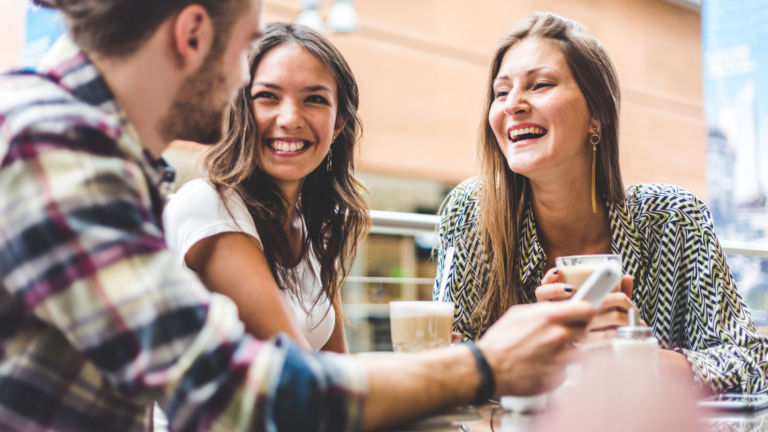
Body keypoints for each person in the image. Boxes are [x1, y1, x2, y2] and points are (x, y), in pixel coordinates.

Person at [0, 2, 596, 432]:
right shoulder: (52, 147)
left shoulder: (94, 151)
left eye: (314, 99)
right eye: (247, 58)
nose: (242, 83)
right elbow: (240, 395)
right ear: (192, 34)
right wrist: (485, 365)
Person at [433, 11, 768, 395]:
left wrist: (640, 355)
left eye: (539, 84)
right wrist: (522, 349)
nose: (512, 104)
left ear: (598, 113)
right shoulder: (469, 212)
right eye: (501, 92)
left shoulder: (674, 219)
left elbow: (753, 363)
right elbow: (446, 361)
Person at [164, 23, 368, 354]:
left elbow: (336, 368)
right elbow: (305, 377)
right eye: (267, 96)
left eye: (314, 99)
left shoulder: (312, 227)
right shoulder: (210, 206)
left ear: (338, 125)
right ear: (238, 109)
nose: (290, 118)